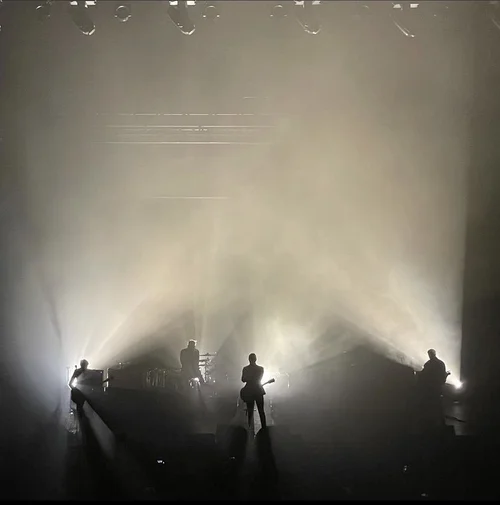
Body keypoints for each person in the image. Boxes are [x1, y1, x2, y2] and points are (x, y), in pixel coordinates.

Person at [417, 349, 449, 428]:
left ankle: (430, 423)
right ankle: (441, 423)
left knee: (430, 405)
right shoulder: (441, 363)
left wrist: (417, 374)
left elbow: (423, 375)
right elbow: (442, 376)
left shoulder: (428, 364)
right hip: (437, 387)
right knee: (438, 405)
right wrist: (445, 376)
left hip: (429, 388)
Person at [241, 353, 267, 431]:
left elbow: (243, 379)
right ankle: (264, 428)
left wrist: (249, 378)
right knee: (261, 411)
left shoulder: (245, 369)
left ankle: (250, 429)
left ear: (249, 359)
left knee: (250, 411)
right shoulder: (260, 369)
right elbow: (258, 378)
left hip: (249, 391)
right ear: (256, 359)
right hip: (258, 390)